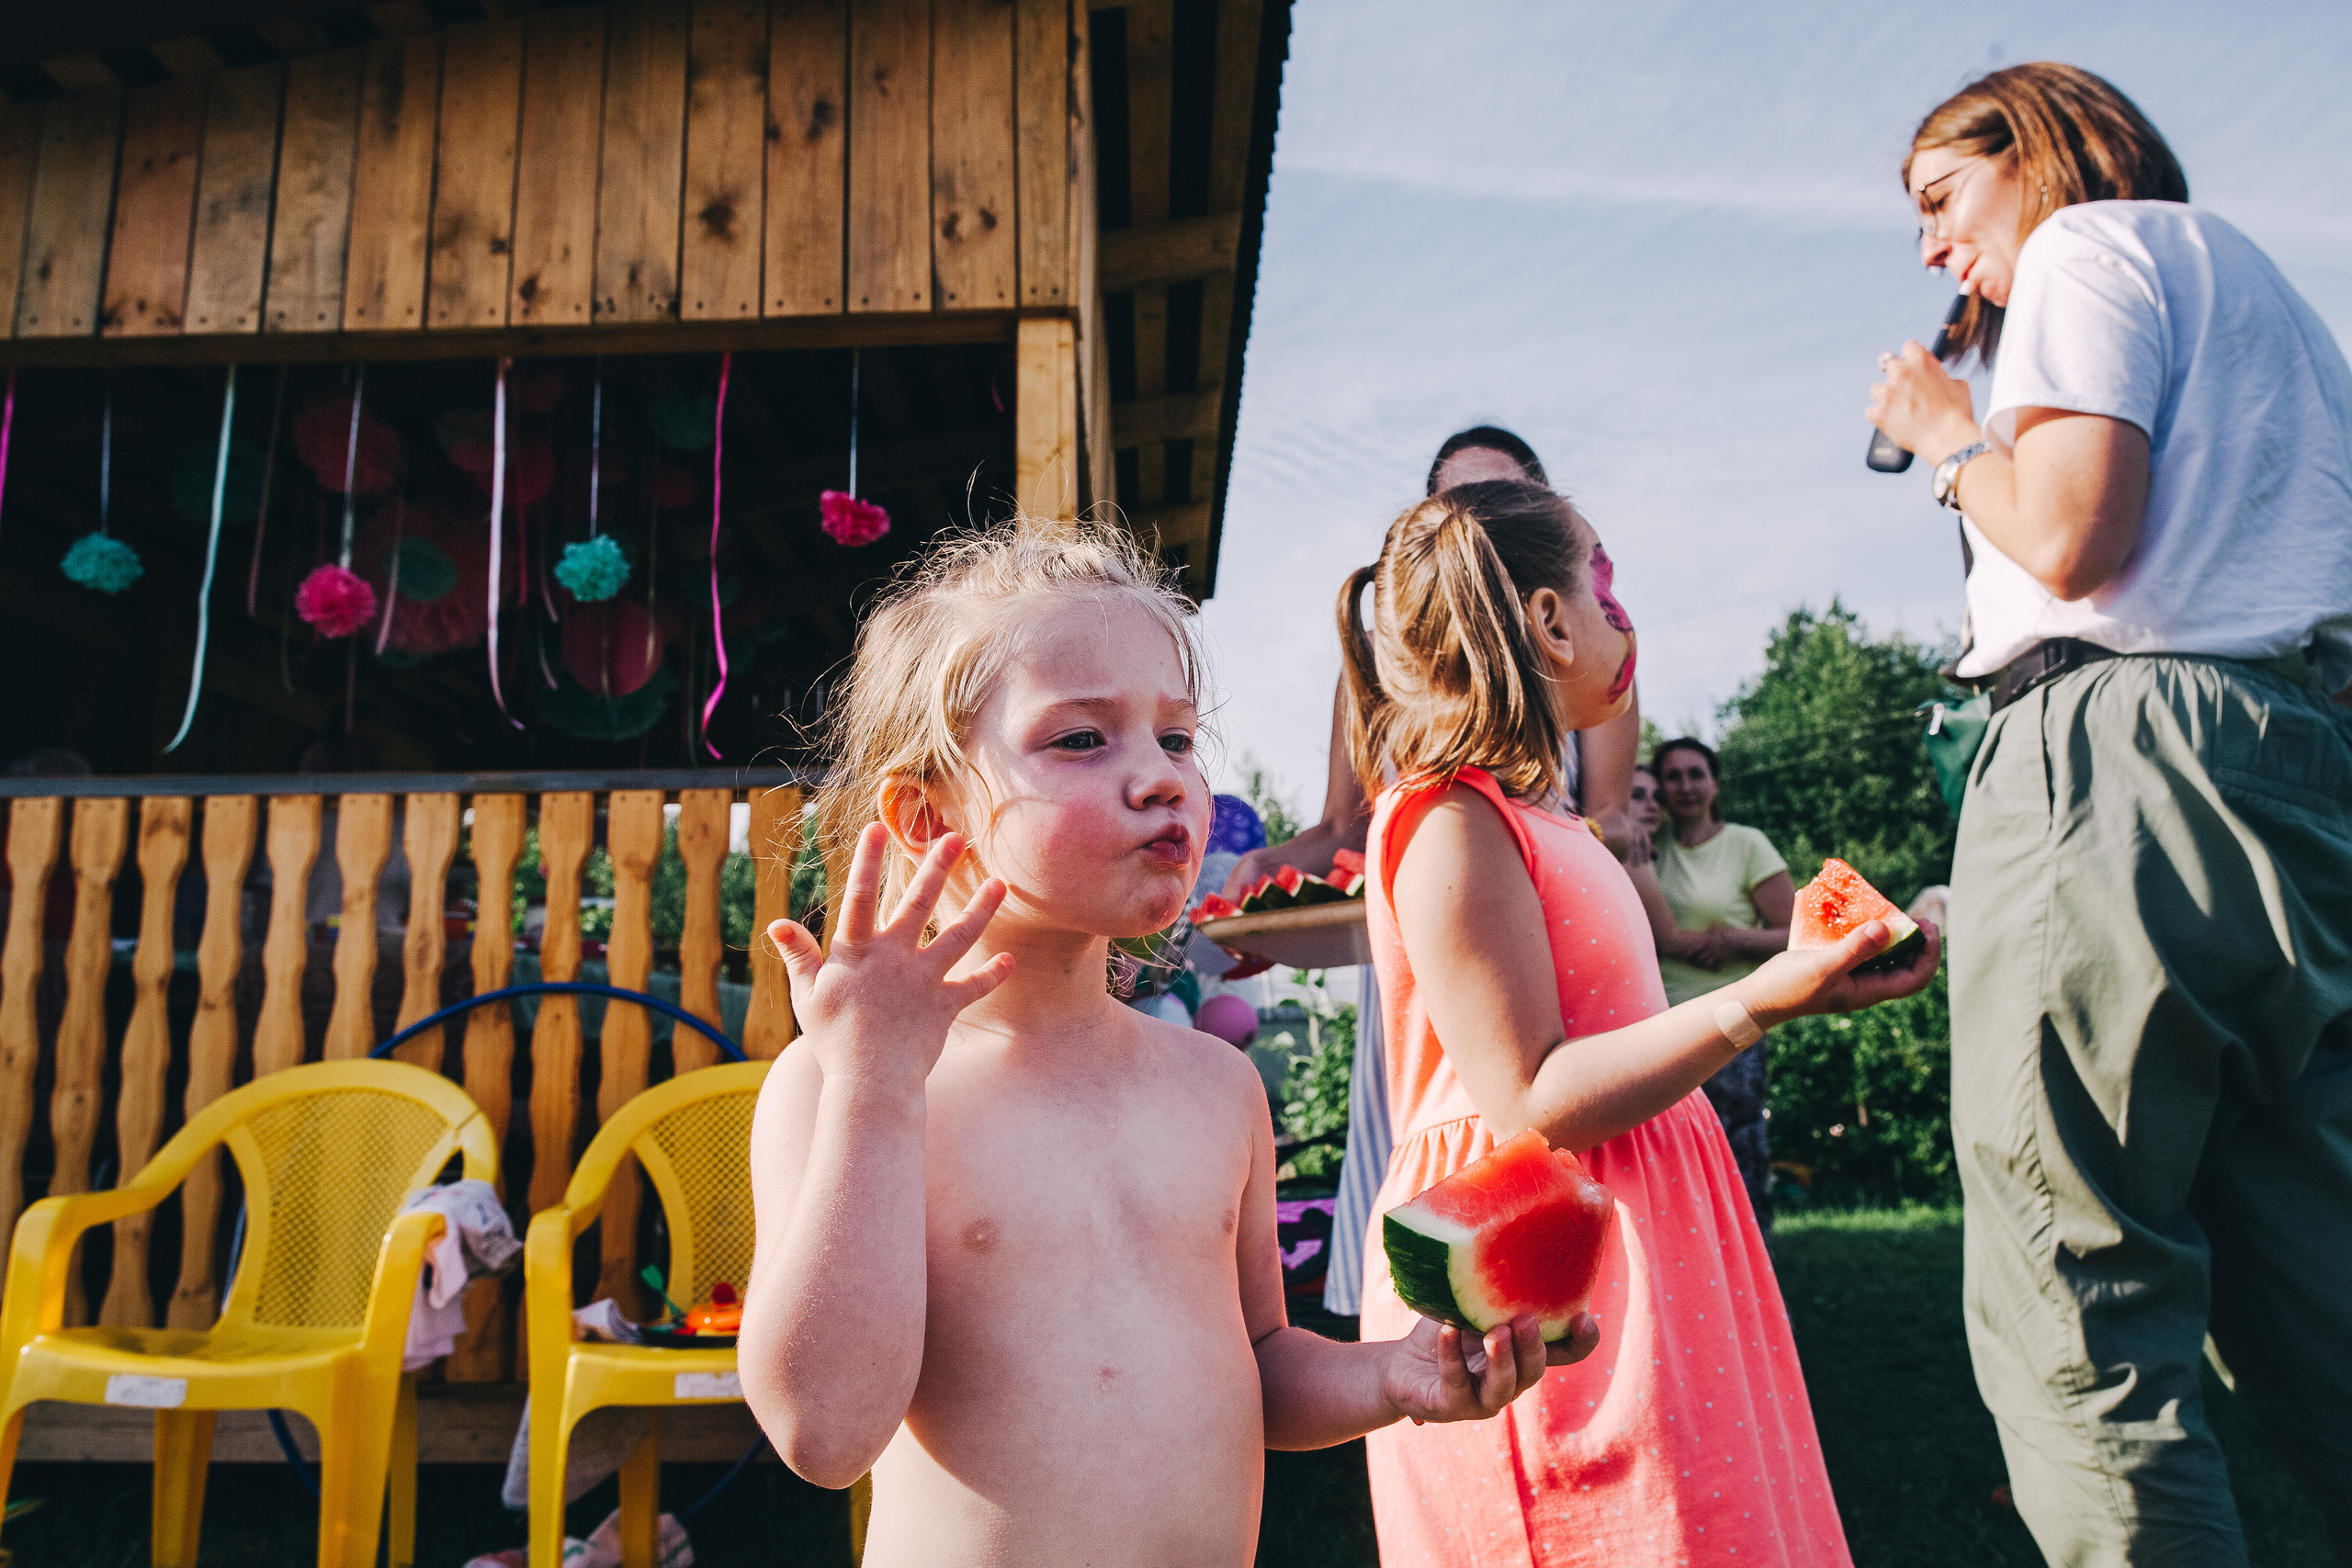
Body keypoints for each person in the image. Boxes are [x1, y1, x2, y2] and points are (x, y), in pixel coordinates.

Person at [738, 519, 1595, 1567]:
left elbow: (1259, 1361)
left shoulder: (1214, 1087)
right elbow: (824, 1435)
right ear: (926, 816)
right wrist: (874, 1087)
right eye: (1081, 739)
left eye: (1177, 739)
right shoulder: (840, 1090)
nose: (1159, 778)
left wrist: (1393, 1377)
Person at [1867, 62, 2352, 1565]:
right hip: (2294, 769)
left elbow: (2074, 531)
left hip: (2116, 768)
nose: (1940, 251)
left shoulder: (2088, 249)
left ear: (2041, 148)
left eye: (1944, 201)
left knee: (2074, 1284)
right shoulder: (2276, 304)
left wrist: (1954, 436)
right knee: (2318, 1269)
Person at [1343, 478, 1939, 1566]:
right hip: (1537, 1269)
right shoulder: (1446, 817)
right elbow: (1526, 1092)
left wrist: (1814, 979)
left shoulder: (1546, 817)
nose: (1624, 614)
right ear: (1548, 622)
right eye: (1604, 583)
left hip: (1646, 1230)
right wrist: (1761, 996)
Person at [1224, 425, 1644, 1320]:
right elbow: (1344, 834)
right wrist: (1258, 883)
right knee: (1434, 1171)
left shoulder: (1592, 662)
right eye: (1453, 510)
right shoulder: (1386, 702)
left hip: (1548, 929)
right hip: (1432, 955)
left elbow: (1599, 820)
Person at [1647, 738, 1794, 1224]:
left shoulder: (1746, 844)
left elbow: (1800, 934)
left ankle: (1756, 1279)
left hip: (1734, 1021)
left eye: (1696, 774)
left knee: (1737, 1153)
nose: (1685, 786)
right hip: (1657, 1026)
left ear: (1715, 783)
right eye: (1673, 776)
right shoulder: (1648, 849)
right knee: (1670, 1160)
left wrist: (1735, 941)